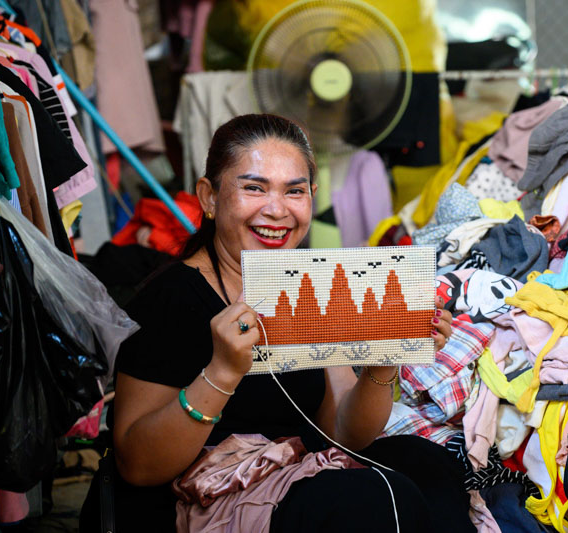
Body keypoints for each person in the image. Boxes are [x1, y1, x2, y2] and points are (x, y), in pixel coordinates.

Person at [81, 114, 475, 532]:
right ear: (209, 197)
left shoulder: (311, 284)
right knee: (375, 498)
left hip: (293, 476)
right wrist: (222, 373)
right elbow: (138, 467)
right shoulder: (168, 299)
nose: (277, 210)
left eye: (294, 191)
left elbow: (343, 432)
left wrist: (385, 357)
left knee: (428, 465)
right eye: (254, 188)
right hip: (197, 502)